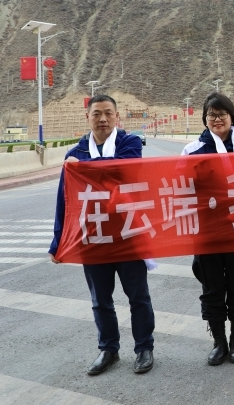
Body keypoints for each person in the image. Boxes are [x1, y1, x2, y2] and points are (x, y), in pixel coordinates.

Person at [48, 95, 155, 376]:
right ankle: (108, 349)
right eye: (97, 114)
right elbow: (65, 201)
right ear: (88, 117)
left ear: (117, 117)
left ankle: (144, 348)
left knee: (138, 297)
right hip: (93, 237)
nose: (103, 119)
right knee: (100, 300)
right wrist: (57, 241)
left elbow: (121, 170)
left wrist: (81, 168)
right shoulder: (76, 153)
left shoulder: (130, 144)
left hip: (128, 234)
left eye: (108, 113)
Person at [182, 92, 234, 366]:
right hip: (207, 235)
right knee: (212, 289)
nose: (217, 119)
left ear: (232, 116)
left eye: (221, 114)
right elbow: (182, 190)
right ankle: (219, 342)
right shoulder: (192, 150)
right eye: (211, 115)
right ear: (205, 119)